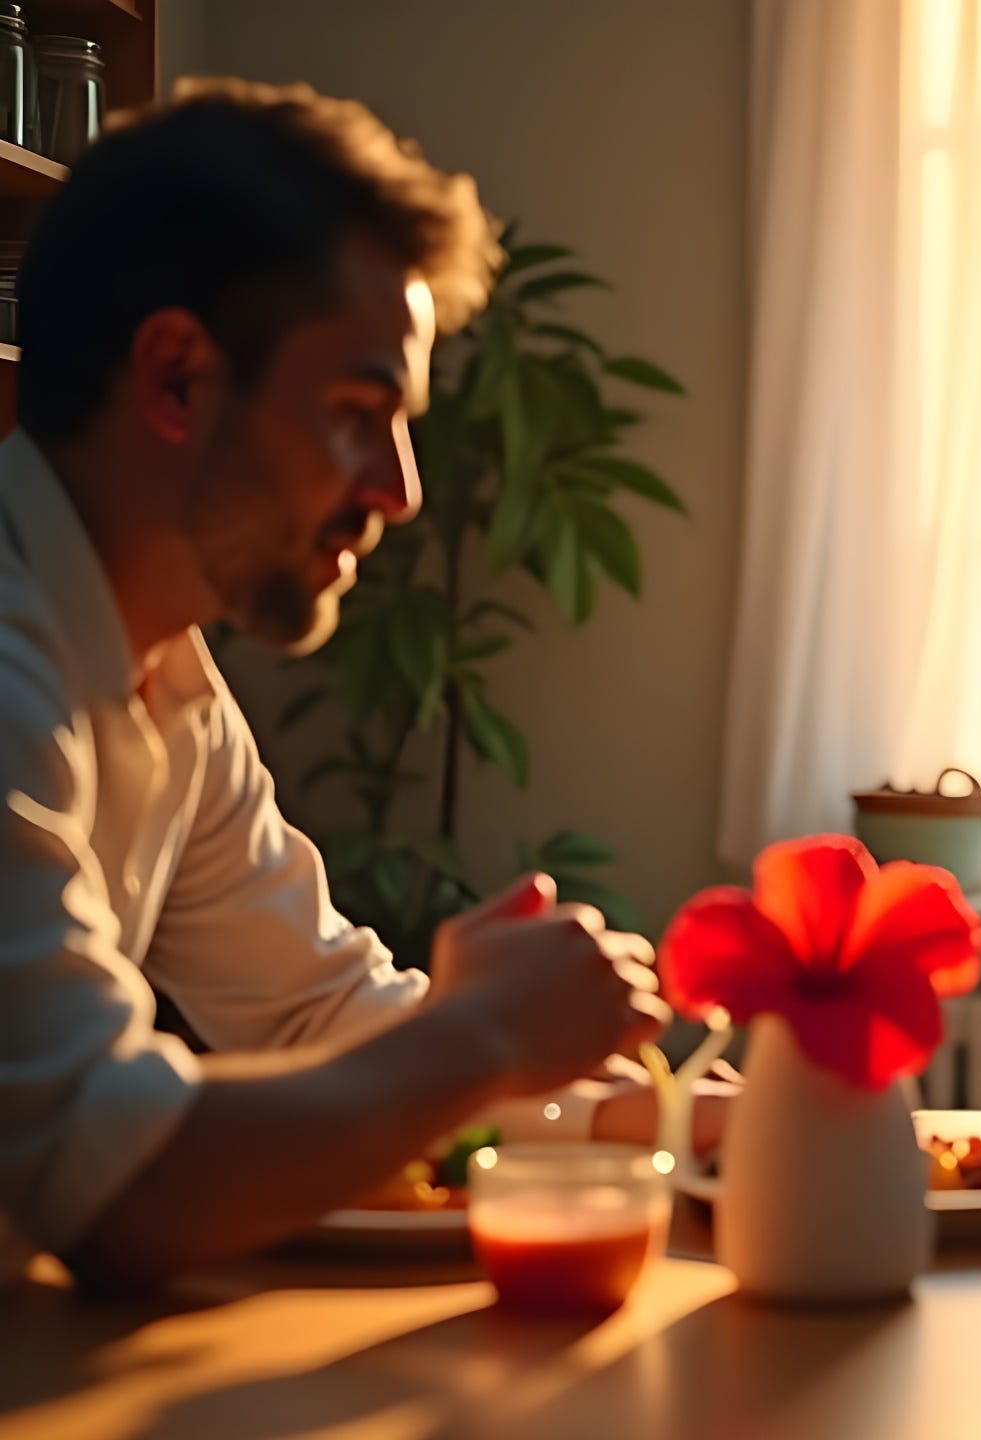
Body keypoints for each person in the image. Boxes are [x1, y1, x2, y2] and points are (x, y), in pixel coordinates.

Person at [0, 79, 674, 1287]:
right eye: (360, 411)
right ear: (175, 379)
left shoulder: (163, 678)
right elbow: (109, 1177)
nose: (402, 489)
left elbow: (317, 1011)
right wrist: (484, 1036)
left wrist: (624, 1104)